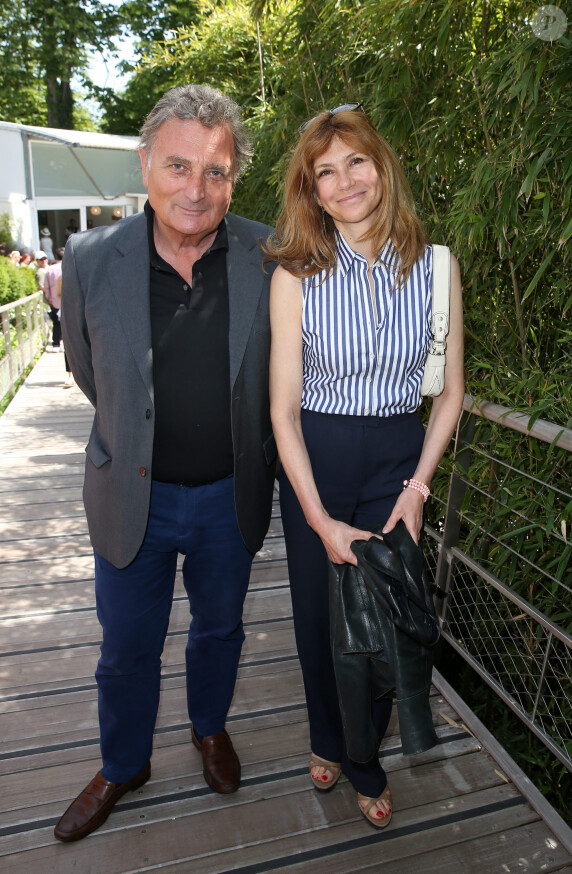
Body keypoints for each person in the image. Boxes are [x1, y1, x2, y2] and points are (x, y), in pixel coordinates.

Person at [55, 84, 277, 842]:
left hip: (228, 496)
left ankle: (208, 728)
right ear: (146, 162)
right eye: (179, 166)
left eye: (216, 172)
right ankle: (123, 764)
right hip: (130, 499)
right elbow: (92, 374)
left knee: (220, 630)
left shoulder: (269, 253)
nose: (196, 188)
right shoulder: (89, 258)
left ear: (233, 179)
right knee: (124, 649)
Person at [265, 105, 464, 829]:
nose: (345, 181)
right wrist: (316, 517)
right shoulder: (296, 276)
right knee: (322, 615)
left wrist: (419, 487)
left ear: (382, 167)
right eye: (326, 171)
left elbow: (450, 395)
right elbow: (282, 412)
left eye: (356, 162)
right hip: (315, 455)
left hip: (395, 459)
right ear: (312, 191)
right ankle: (328, 736)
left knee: (383, 616)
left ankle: (364, 755)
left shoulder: (437, 267)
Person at [43, 247, 63, 353]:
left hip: (55, 300)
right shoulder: (70, 266)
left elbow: (46, 286)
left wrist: (49, 298)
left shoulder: (50, 269)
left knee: (57, 323)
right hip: (70, 302)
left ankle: (56, 344)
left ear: (56, 256)